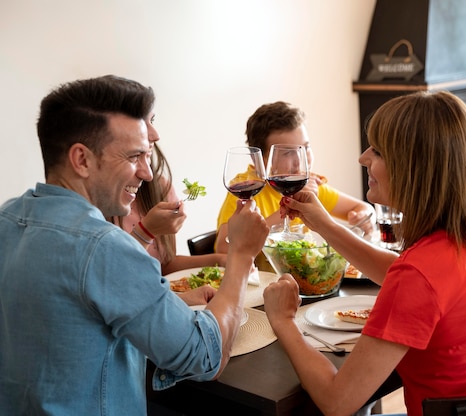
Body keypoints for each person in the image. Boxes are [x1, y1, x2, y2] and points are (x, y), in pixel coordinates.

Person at [0, 75, 269, 415]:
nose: (145, 173)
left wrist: (167, 302)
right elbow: (205, 358)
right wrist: (242, 255)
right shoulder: (104, 247)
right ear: (81, 160)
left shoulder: (8, 217)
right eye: (134, 156)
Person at [263, 90, 466, 416]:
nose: (363, 157)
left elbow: (337, 402)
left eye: (377, 151)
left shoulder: (419, 277)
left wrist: (283, 322)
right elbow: (420, 281)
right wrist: (325, 224)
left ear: (414, 167)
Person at [215, 101, 374, 253]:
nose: (300, 162)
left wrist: (363, 218)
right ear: (259, 160)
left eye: (305, 148)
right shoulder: (247, 190)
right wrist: (292, 206)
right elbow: (223, 247)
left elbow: (364, 208)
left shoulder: (309, 186)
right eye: (287, 153)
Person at [105, 76, 227, 275]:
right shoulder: (95, 201)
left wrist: (222, 260)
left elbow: (164, 265)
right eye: (142, 123)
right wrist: (146, 232)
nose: (155, 134)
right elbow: (109, 278)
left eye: (152, 120)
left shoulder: (158, 187)